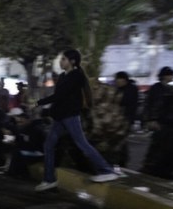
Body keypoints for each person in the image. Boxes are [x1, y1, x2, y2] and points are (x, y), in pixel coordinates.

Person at [34, 49, 120, 191]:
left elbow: (60, 96)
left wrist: (39, 102)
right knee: (48, 145)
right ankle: (49, 179)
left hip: (70, 116)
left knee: (82, 143)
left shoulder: (76, 76)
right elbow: (59, 97)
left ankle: (106, 170)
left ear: (72, 61)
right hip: (60, 117)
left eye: (64, 59)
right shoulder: (63, 76)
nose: (61, 62)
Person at [141, 66, 173, 173]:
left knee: (161, 145)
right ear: (165, 76)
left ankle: (153, 166)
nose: (172, 77)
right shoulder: (157, 88)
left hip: (164, 122)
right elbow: (150, 105)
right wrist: (151, 119)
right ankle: (148, 166)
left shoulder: (168, 88)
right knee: (156, 145)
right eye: (170, 75)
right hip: (158, 121)